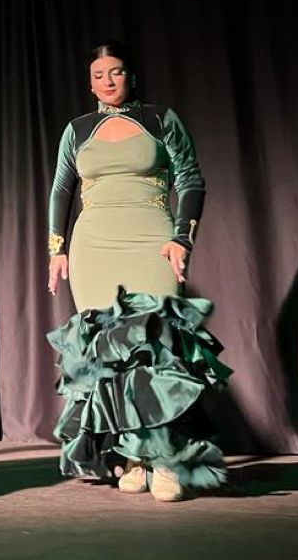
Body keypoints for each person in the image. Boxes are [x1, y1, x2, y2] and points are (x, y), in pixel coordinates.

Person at [46, 41, 231, 501]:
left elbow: (190, 179)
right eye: (98, 74)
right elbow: (61, 190)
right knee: (109, 354)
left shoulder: (160, 119)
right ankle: (130, 456)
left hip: (150, 238)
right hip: (93, 245)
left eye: (116, 72)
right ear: (88, 82)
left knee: (157, 348)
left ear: (132, 76)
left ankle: (166, 460)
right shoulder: (77, 130)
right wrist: (57, 248)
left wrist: (182, 237)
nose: (107, 81)